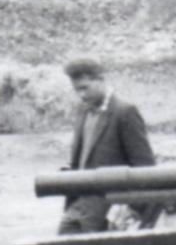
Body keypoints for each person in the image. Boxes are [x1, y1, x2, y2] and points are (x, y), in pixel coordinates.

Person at [58, 58, 156, 234]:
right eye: (76, 90)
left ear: (100, 79)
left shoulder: (125, 112)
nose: (81, 95)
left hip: (110, 210)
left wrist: (130, 209)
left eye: (84, 88)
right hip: (78, 205)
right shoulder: (82, 111)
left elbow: (145, 167)